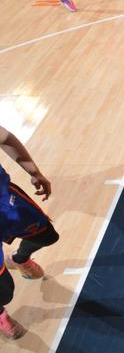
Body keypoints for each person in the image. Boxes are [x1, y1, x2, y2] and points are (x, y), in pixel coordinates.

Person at [0, 125, 60, 340]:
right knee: (4, 291)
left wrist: (35, 172)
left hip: (5, 203)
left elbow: (5, 138)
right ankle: (1, 314)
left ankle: (19, 259)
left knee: (47, 235)